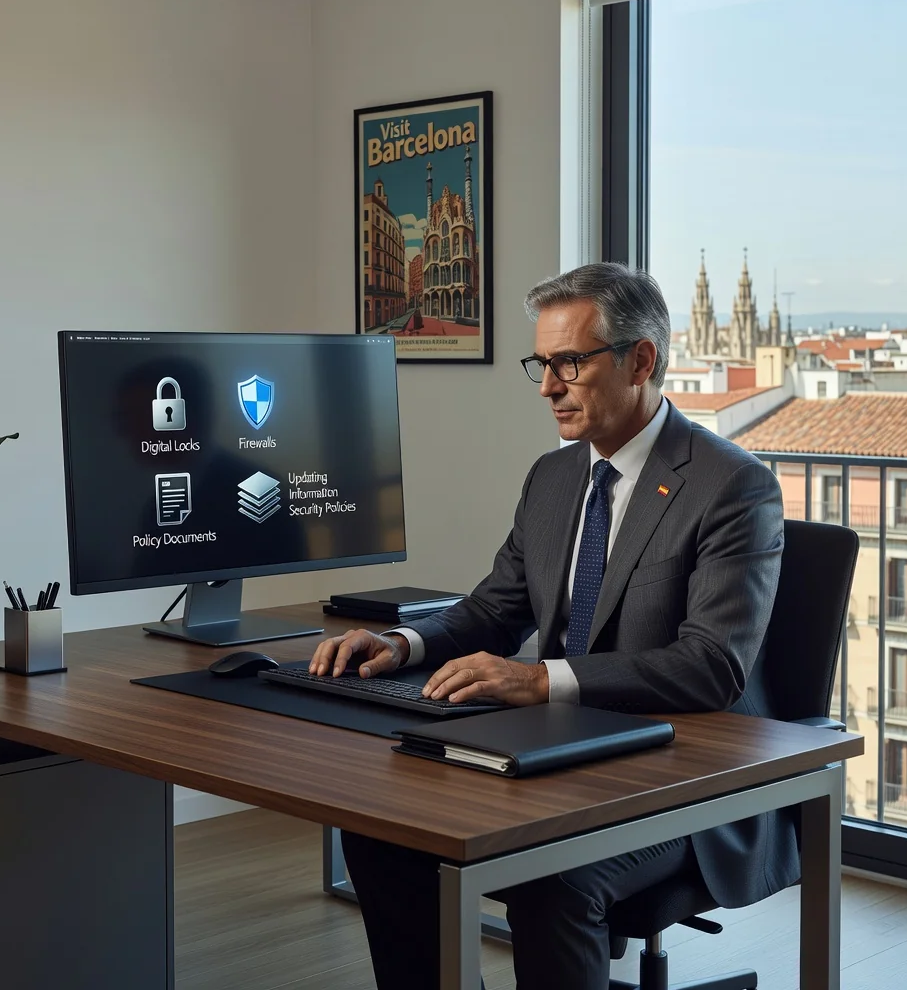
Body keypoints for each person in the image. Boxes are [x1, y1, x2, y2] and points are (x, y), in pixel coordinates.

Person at [310, 262, 796, 990]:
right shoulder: (553, 477)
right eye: (541, 363)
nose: (547, 387)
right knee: (381, 838)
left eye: (569, 362)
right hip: (558, 761)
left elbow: (711, 666)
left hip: (688, 784)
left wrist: (542, 680)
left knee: (551, 881)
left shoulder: (733, 485)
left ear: (642, 360)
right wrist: (402, 643)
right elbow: (492, 611)